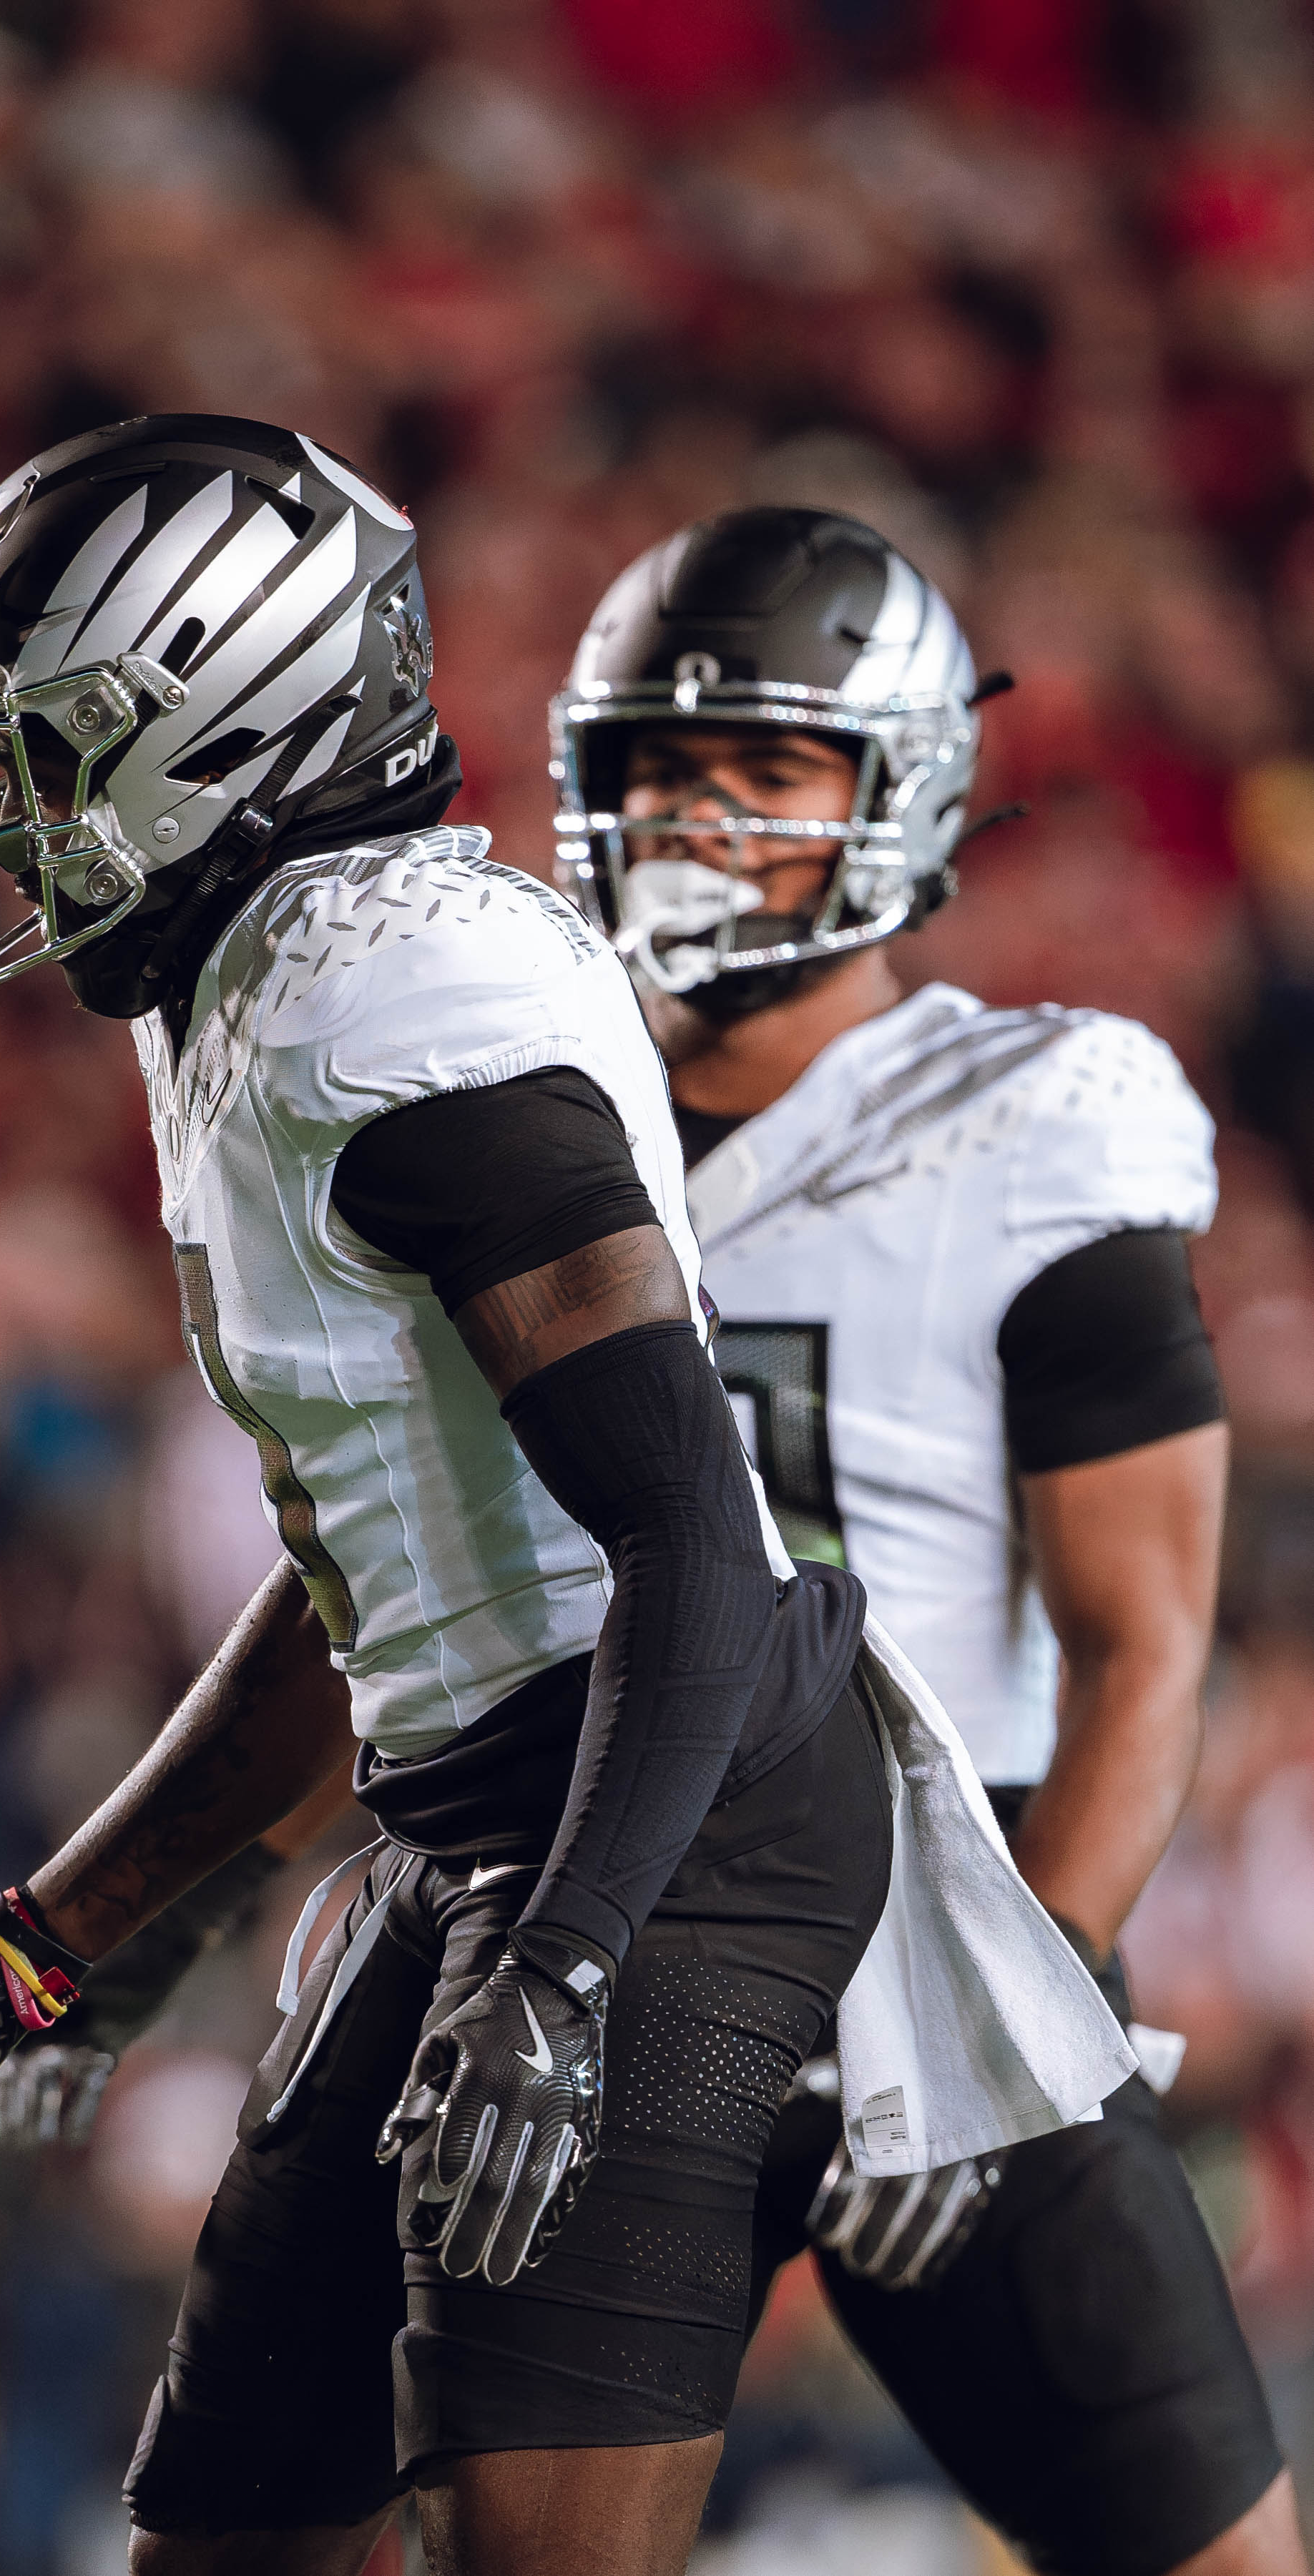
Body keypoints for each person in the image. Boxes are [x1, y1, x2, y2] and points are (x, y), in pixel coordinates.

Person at [0, 416, 1126, 2568]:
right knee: (225, 2536)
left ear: (220, 715)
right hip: (506, 1815)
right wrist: (32, 1960)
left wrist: (562, 1966)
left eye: (44, 754)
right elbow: (368, 1591)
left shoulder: (393, 1013)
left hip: (671, 1831)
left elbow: (685, 1532)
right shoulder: (263, 977)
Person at [554, 504, 1298, 2576]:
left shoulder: (1018, 1125)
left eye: (759, 770)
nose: (691, 820)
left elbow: (1143, 1645)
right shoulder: (518, 1119)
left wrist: (1000, 2046)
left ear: (895, 793)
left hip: (939, 1922)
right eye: (654, 767)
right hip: (581, 1944)